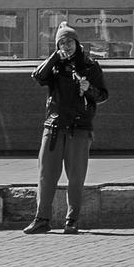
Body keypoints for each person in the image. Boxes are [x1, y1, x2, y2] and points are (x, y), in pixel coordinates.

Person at [29, 25, 109, 234]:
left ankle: (71, 221)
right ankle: (42, 219)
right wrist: (55, 57)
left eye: (69, 42)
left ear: (77, 43)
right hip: (54, 126)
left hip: (79, 127)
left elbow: (102, 95)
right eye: (62, 43)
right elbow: (38, 76)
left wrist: (88, 89)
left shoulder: (90, 66)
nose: (66, 46)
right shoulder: (54, 66)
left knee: (76, 176)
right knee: (46, 174)